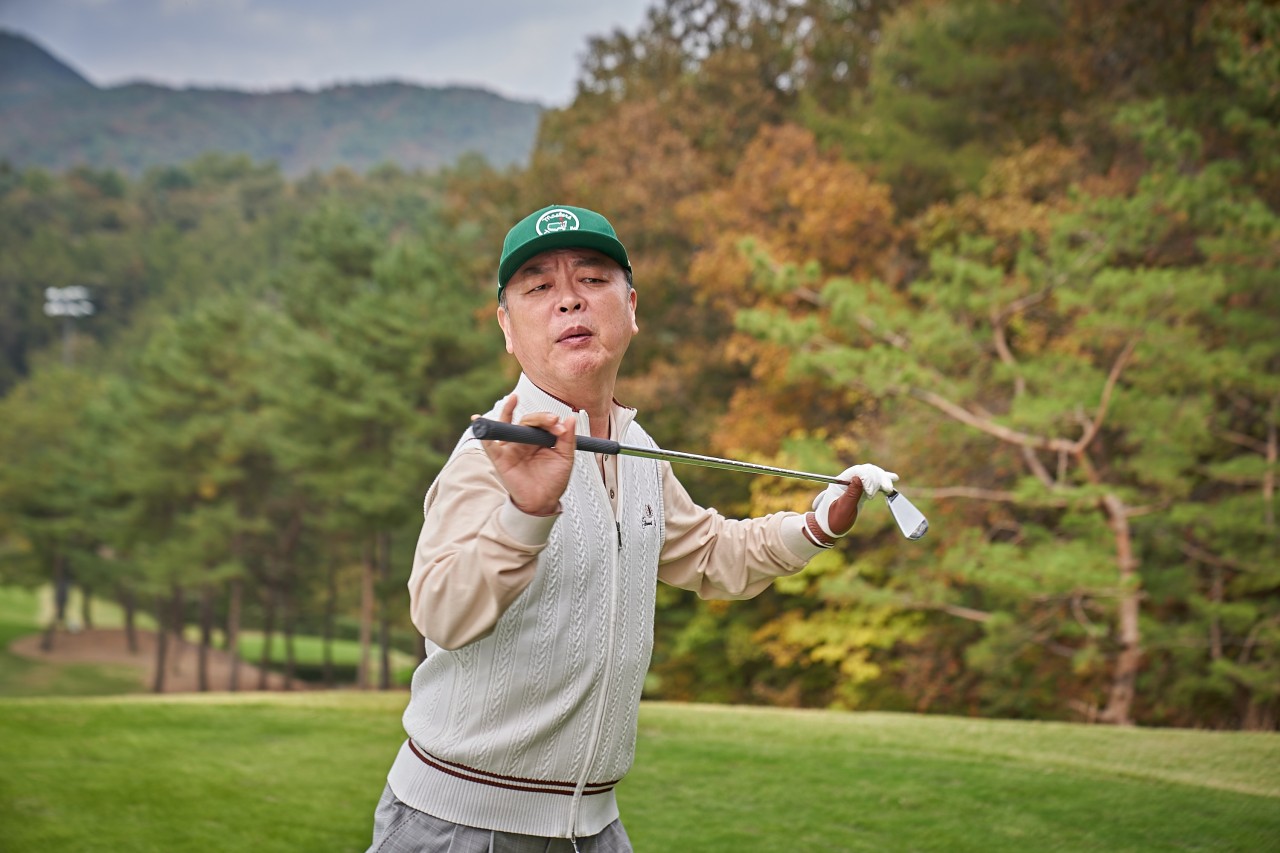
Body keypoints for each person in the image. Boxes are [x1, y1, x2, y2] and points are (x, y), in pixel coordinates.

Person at [366, 204, 899, 853]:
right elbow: (440, 613)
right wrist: (526, 513)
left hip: (593, 825)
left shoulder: (636, 446)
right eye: (539, 287)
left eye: (592, 279)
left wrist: (815, 525)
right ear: (507, 326)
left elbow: (709, 551)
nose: (569, 300)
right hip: (458, 825)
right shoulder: (488, 455)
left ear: (631, 306)